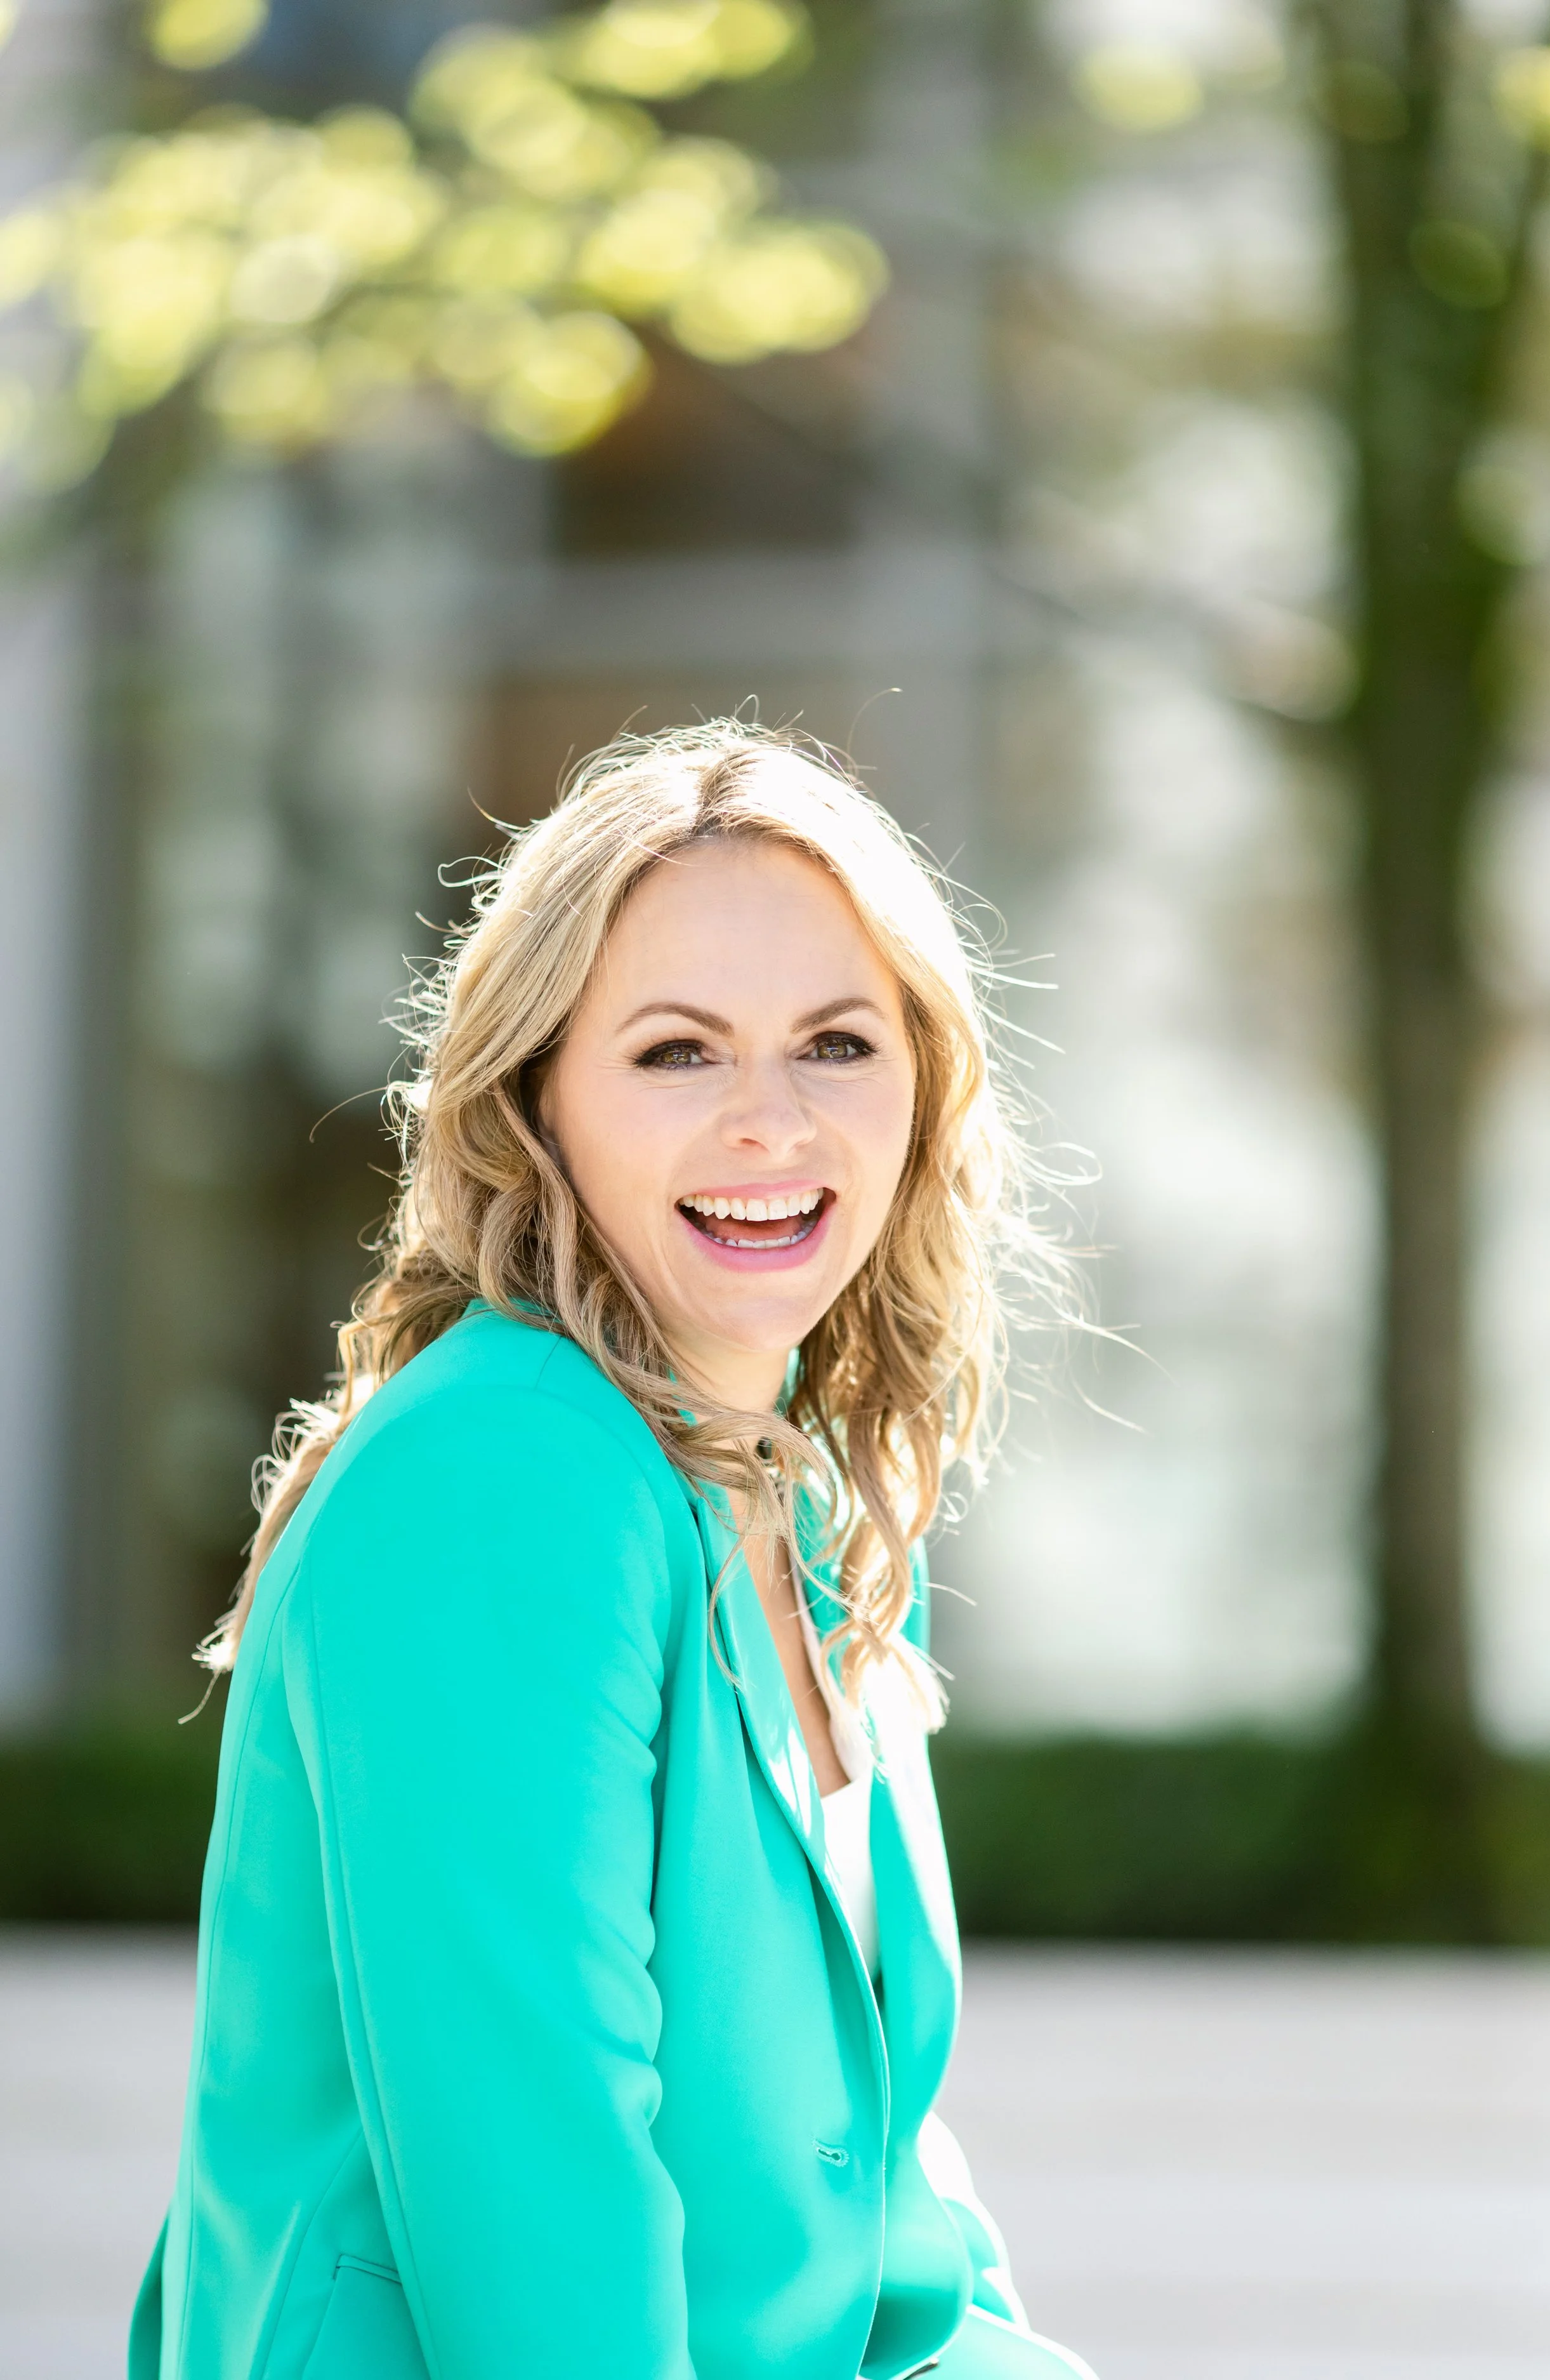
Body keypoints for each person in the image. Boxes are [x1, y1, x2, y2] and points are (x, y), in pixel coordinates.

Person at [130, 722, 1098, 2380]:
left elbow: (876, 2172)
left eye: (836, 1042)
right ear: (537, 1103)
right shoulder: (500, 1480)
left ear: (922, 1088)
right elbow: (537, 2217)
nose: (771, 1121)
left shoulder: (814, 1495)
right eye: (675, 1053)